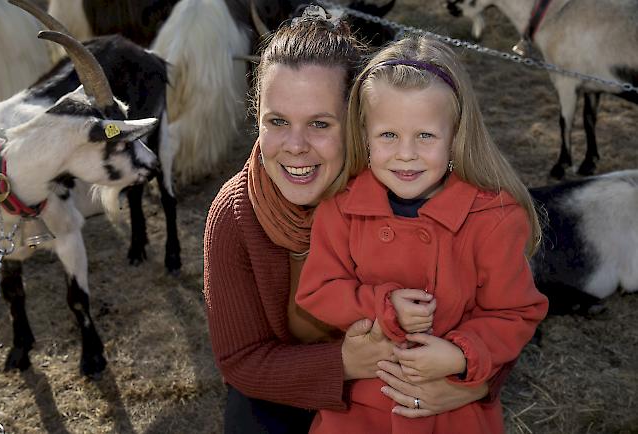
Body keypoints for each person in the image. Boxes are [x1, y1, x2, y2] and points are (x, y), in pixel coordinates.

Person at [204, 8, 499, 434]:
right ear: (258, 119)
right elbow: (241, 360)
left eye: (320, 124)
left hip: (404, 392)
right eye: (278, 122)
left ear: (359, 124)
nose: (296, 146)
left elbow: (502, 310)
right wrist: (344, 363)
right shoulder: (235, 216)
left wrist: (476, 384)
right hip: (290, 390)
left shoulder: (406, 187)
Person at [296, 34, 549, 433]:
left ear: (455, 136)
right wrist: (381, 305)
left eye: (426, 136)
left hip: (450, 410)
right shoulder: (342, 208)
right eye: (388, 135)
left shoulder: (493, 217)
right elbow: (318, 289)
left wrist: (461, 354)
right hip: (362, 407)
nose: (406, 153)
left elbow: (515, 312)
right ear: (364, 135)